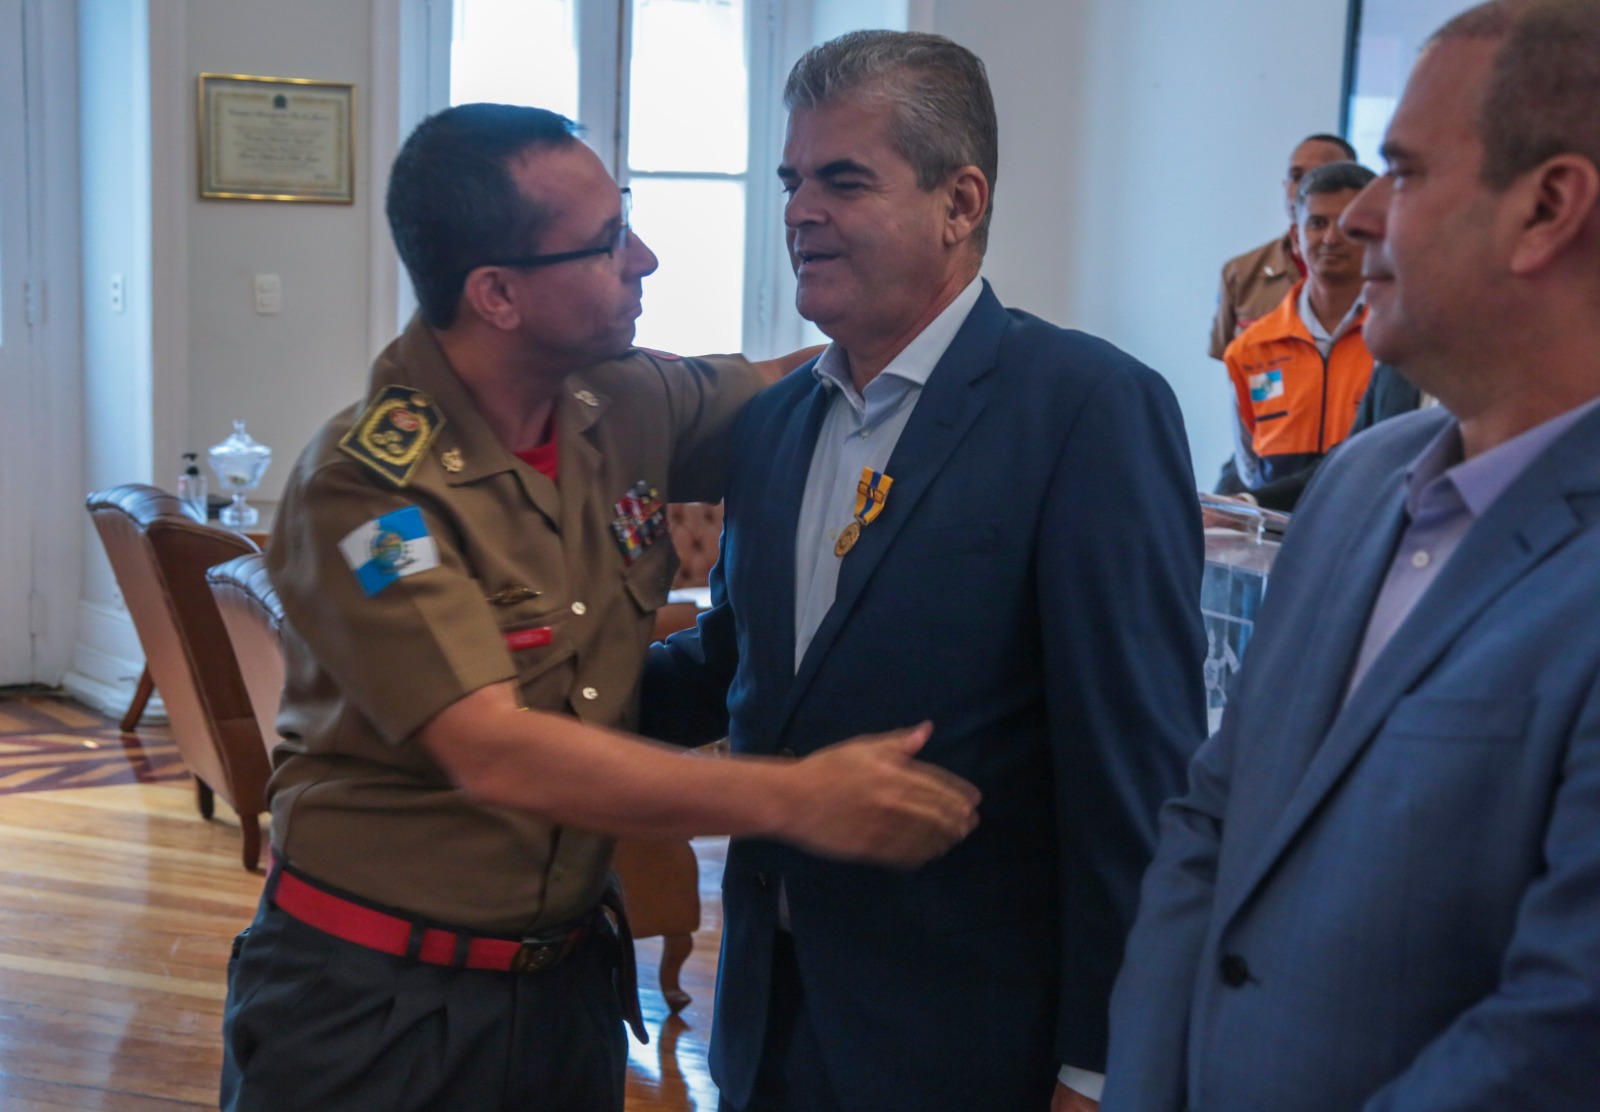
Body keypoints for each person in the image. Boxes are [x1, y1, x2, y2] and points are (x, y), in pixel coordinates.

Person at [218, 103, 980, 1112]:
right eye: (607, 241)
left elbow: (794, 387)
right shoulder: (368, 490)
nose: (644, 258)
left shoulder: (617, 404)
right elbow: (497, 751)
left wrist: (963, 336)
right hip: (376, 1006)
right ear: (497, 294)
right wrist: (796, 797)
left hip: (566, 988)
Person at [641, 31, 1206, 1112]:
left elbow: (1134, 770)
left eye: (843, 180)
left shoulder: (1085, 408)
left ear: (960, 202)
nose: (801, 212)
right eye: (791, 181)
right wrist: (535, 700)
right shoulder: (776, 426)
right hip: (768, 1021)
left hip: (973, 1041)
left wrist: (1099, 1064)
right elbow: (742, 667)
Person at [1103, 2, 1600, 1108]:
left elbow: (1565, 1023)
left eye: (1404, 173)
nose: (1356, 218)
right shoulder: (1358, 483)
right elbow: (1212, 820)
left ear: (1546, 209)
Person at [1224, 160, 1377, 510]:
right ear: (1296, 237)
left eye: (1347, 224)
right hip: (1276, 529)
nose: (1331, 238)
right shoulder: (1250, 349)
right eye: (1317, 223)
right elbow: (1249, 467)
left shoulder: (1396, 342)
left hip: (1366, 523)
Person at [1210, 132, 1357, 362]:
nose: (1305, 188)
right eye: (1297, 176)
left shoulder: (1383, 274)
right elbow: (1229, 359)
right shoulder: (1242, 273)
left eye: (1323, 177)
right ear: (1285, 185)